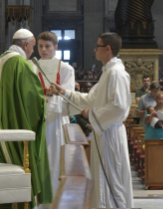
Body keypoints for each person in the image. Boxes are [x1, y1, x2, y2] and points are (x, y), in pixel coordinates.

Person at [49, 32, 133, 208]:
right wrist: (65, 92)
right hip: (103, 132)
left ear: (107, 49)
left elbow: (118, 107)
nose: (95, 49)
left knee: (112, 179)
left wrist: (91, 115)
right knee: (103, 177)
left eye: (98, 46)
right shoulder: (108, 73)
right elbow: (90, 100)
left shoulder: (116, 73)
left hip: (110, 133)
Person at [0, 29, 52, 208]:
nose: (33, 52)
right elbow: (34, 100)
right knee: (21, 167)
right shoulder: (20, 63)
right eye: (32, 47)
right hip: (15, 132)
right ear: (26, 45)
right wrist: (44, 102)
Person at [37, 31, 75, 203]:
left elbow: (69, 98)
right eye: (40, 46)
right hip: (38, 120)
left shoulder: (66, 69)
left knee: (56, 163)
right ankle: (40, 201)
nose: (43, 50)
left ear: (56, 48)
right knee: (39, 162)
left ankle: (56, 202)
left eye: (47, 46)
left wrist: (53, 95)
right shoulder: (32, 67)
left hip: (57, 122)